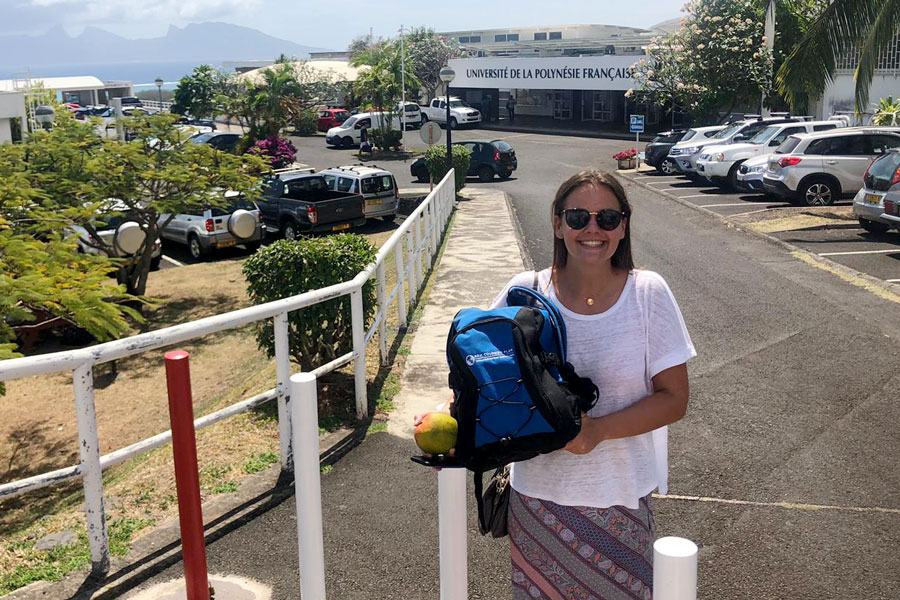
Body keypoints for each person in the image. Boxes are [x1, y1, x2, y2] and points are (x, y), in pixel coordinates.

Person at [415, 170, 695, 598]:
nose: (592, 229)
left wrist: (599, 431)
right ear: (558, 223)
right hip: (538, 501)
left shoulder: (647, 293)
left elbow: (674, 400)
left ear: (624, 225)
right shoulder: (522, 293)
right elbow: (483, 379)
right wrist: (452, 419)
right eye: (579, 216)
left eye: (608, 218)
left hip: (620, 498)